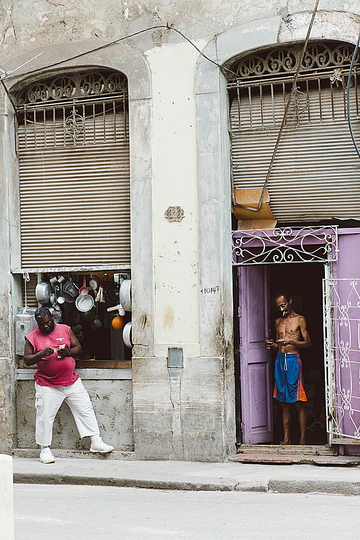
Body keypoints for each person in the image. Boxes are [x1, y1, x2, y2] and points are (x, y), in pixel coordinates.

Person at [24, 307, 114, 463]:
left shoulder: (65, 329)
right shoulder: (32, 337)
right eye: (41, 324)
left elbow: (79, 348)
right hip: (47, 384)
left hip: (71, 381)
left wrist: (68, 352)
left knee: (85, 409)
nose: (45, 326)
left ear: (52, 318)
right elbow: (26, 360)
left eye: (48, 322)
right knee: (44, 417)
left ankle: (96, 442)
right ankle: (45, 450)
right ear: (37, 323)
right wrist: (40, 354)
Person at [265, 290, 311, 445]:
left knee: (298, 401)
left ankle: (303, 439)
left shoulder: (300, 320)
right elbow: (279, 346)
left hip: (293, 361)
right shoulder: (278, 321)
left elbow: (308, 343)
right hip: (280, 360)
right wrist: (273, 345)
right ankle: (286, 439)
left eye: (283, 305)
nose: (281, 309)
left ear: (290, 301)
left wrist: (291, 342)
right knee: (283, 402)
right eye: (278, 306)